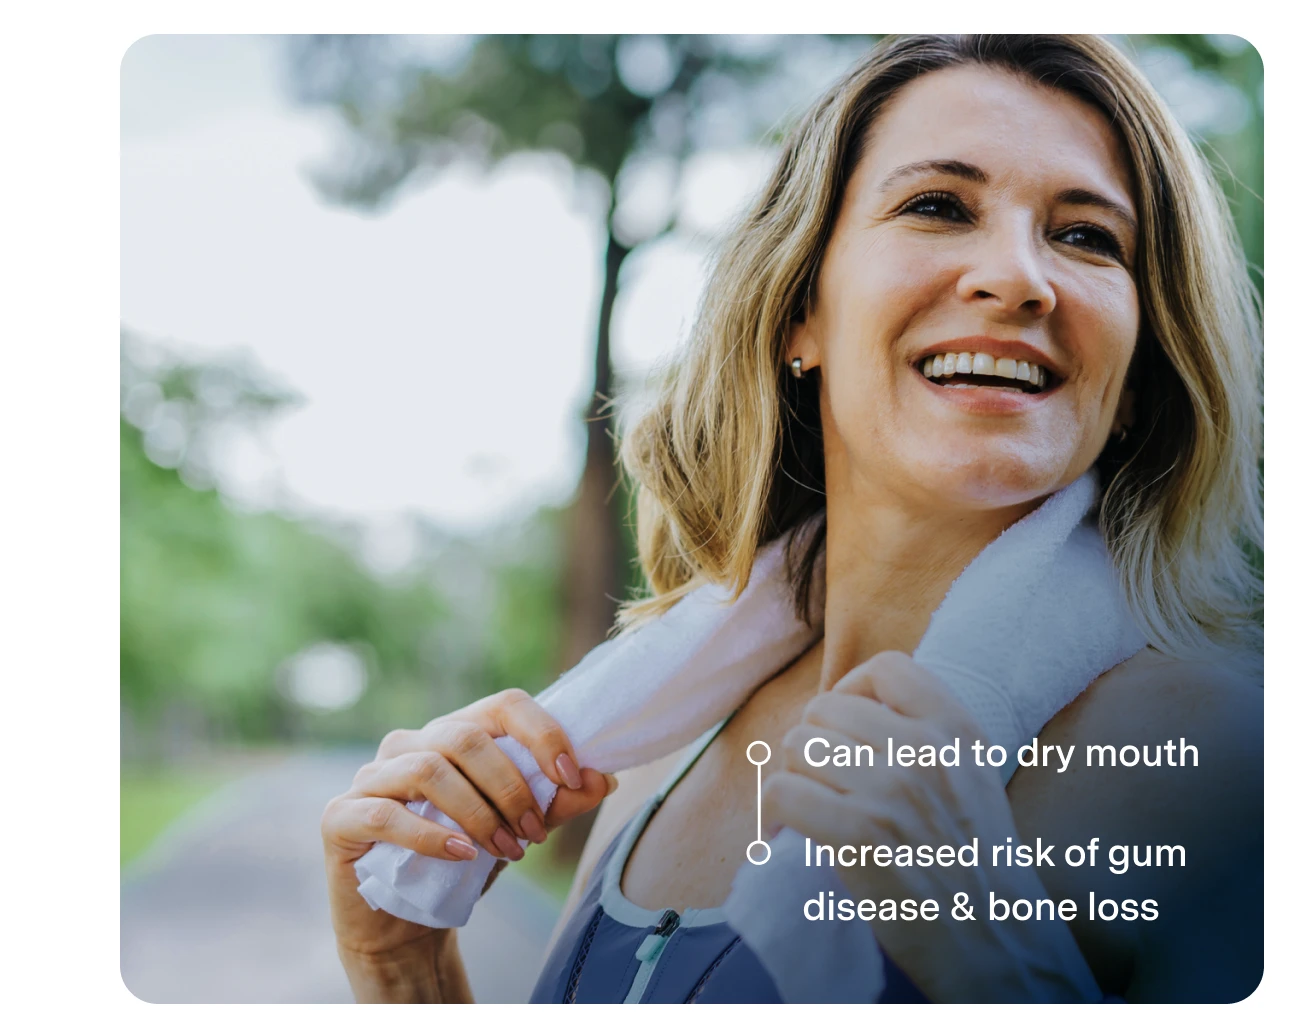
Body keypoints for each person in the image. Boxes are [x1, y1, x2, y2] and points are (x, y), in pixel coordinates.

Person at [321, 34, 1262, 1003]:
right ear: (797, 313)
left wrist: (988, 948)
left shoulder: (1222, 752)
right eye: (938, 206)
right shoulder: (652, 752)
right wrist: (405, 971)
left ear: (1141, 368)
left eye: (1086, 236)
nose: (1021, 277)